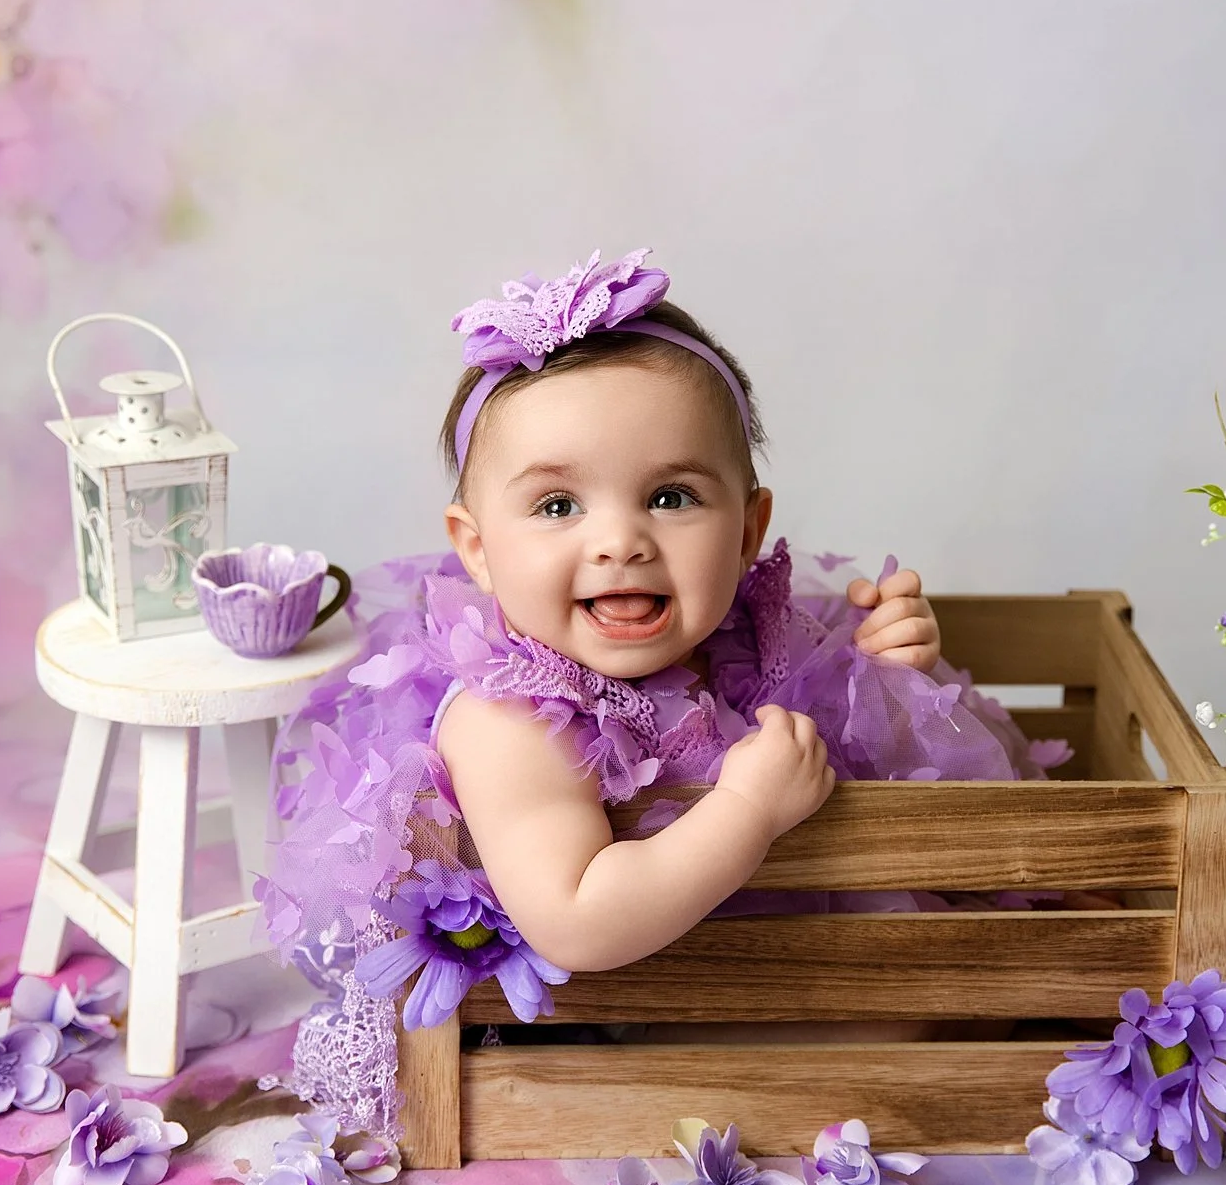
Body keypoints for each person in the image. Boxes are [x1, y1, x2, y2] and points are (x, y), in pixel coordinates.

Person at [259, 249, 1065, 1131]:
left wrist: (885, 671)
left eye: (673, 496)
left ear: (750, 526)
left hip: (751, 954)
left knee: (955, 967)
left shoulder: (743, 637)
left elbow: (857, 745)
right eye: (559, 505)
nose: (622, 540)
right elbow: (576, 919)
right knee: (912, 1008)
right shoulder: (506, 719)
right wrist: (748, 810)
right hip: (613, 1021)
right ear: (478, 546)